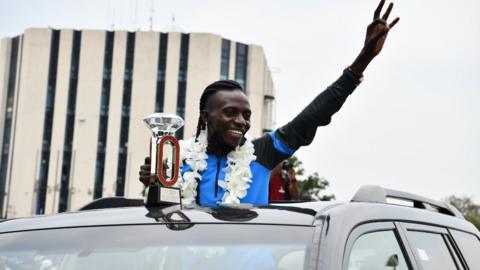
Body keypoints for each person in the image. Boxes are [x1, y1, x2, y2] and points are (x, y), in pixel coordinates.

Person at [140, 0, 400, 206]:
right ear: (206, 116)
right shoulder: (180, 159)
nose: (242, 122)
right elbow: (166, 220)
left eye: (246, 115)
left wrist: (362, 60)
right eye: (231, 112)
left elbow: (311, 117)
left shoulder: (262, 153)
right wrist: (155, 183)